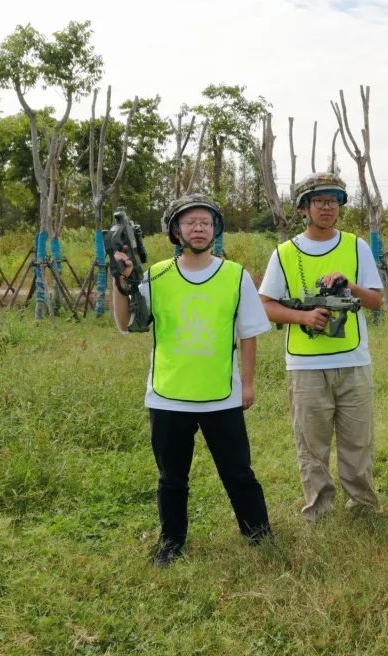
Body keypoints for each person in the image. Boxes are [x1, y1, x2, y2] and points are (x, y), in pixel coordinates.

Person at [112, 194, 272, 567]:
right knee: (172, 478)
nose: (198, 228)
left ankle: (259, 533)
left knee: (238, 473)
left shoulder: (236, 275)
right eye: (190, 222)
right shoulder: (157, 275)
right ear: (175, 230)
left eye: (205, 222)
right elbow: (126, 324)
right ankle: (171, 543)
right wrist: (120, 280)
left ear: (215, 229)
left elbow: (249, 334)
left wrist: (247, 384)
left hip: (222, 395)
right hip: (168, 396)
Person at [259, 172, 383, 521]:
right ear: (304, 208)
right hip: (305, 366)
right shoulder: (285, 253)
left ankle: (362, 506)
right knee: (312, 446)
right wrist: (303, 318)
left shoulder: (356, 246)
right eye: (319, 201)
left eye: (333, 201)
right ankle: (319, 506)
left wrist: (350, 286)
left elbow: (376, 301)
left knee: (358, 441)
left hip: (354, 362)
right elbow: (265, 304)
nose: (327, 207)